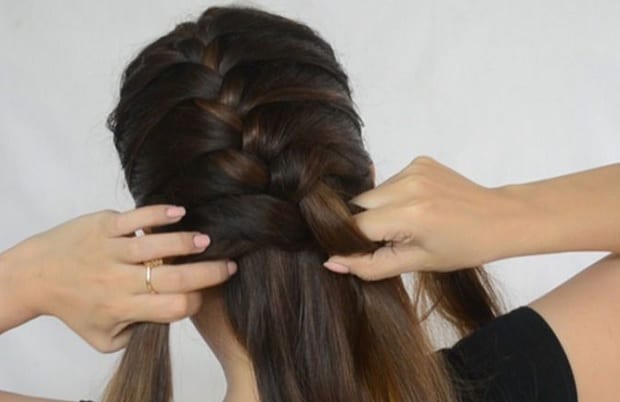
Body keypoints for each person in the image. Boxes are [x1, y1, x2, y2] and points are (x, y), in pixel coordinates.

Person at [1, 5, 618, 402]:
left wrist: (27, 278)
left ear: (154, 251)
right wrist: (505, 214)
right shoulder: (507, 385)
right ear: (366, 190)